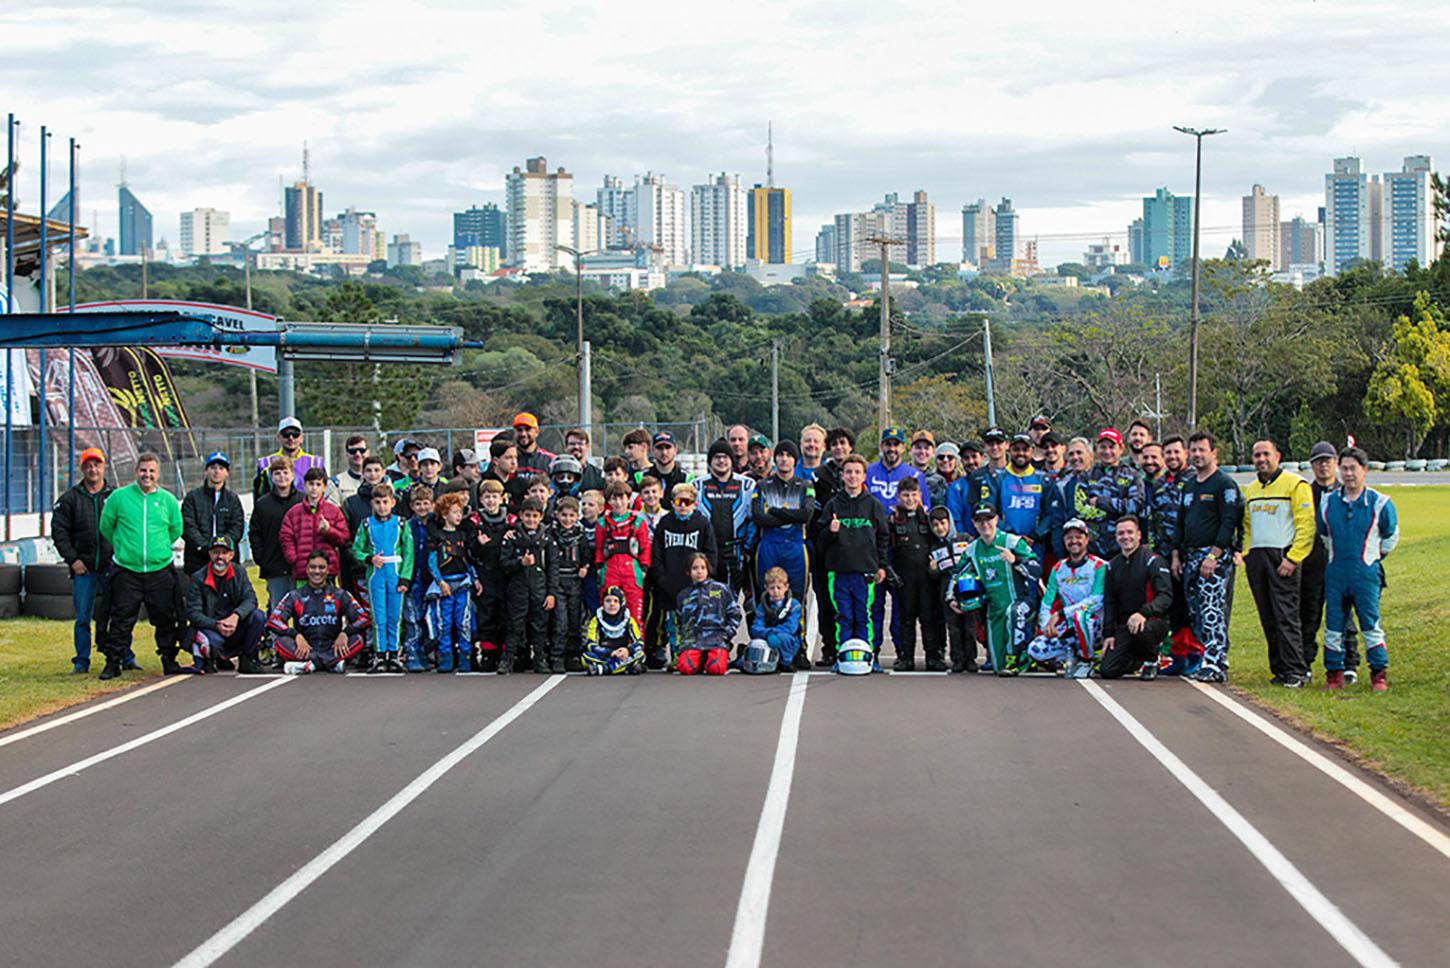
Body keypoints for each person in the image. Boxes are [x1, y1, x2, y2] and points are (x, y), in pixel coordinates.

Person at [97, 454, 185, 679]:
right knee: (121, 619)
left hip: (159, 570)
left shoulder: (167, 500)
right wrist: (124, 547)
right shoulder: (119, 497)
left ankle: (168, 658)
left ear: (158, 474)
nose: (147, 475)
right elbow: (107, 526)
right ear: (136, 472)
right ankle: (113, 662)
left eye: (152, 471)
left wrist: (158, 549)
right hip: (127, 570)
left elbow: (175, 529)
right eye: (143, 470)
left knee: (165, 618)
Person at [1318, 447, 1397, 692]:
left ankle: (1378, 674)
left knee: (1370, 624)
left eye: (1353, 468)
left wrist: (1372, 558)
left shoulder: (1380, 502)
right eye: (1344, 468)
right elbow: (1324, 535)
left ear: (1365, 470)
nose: (1349, 474)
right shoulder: (1328, 502)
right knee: (1333, 625)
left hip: (1365, 574)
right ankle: (1334, 675)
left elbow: (1390, 537)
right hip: (1336, 573)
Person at [1242, 438, 1316, 687]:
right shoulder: (1251, 489)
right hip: (1257, 558)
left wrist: (1293, 558)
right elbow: (1247, 526)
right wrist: (1246, 554)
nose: (1261, 459)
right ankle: (1279, 669)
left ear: (1278, 456)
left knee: (1286, 615)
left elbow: (1306, 525)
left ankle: (1296, 669)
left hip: (1283, 557)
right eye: (1256, 456)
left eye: (1266, 454)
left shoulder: (1295, 484)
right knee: (1267, 616)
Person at [1173, 430, 1240, 683]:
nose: (1198, 454)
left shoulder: (1224, 484)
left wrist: (1214, 554)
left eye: (1202, 449)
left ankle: (1216, 662)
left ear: (1214, 453)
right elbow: (1181, 521)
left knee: (1213, 610)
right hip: (1190, 556)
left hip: (1213, 557)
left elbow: (1229, 521)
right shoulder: (1189, 486)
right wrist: (1177, 555)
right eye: (1194, 450)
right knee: (1197, 612)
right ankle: (1207, 657)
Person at [52, 447, 126, 674]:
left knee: (120, 613)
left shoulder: (116, 497)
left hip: (112, 566)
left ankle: (125, 656)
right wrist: (73, 560)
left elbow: (126, 528)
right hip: (83, 569)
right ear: (82, 468)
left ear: (104, 467)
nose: (93, 469)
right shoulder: (69, 500)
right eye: (88, 465)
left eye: (97, 464)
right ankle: (81, 661)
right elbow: (60, 533)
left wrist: (121, 556)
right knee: (83, 617)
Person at [817, 454, 890, 663]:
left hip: (865, 571)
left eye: (857, 472)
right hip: (838, 571)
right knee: (844, 616)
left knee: (864, 615)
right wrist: (831, 531)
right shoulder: (833, 505)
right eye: (848, 472)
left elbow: (883, 537)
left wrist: (882, 565)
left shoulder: (873, 505)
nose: (852, 476)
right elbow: (820, 539)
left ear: (864, 476)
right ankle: (843, 655)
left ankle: (868, 655)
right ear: (842, 475)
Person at [1301, 441, 1358, 678]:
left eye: (1328, 460)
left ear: (1336, 463)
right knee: (1307, 616)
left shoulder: (1347, 493)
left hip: (1341, 565)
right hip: (1311, 565)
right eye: (1318, 461)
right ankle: (1303, 664)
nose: (1323, 465)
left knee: (1344, 616)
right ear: (1312, 465)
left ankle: (1349, 664)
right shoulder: (1304, 492)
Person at [962, 502, 1040, 676]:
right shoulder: (972, 550)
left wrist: (1016, 561)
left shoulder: (1012, 541)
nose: (985, 524)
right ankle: (1025, 657)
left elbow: (1036, 568)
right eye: (979, 521)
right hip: (994, 608)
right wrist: (953, 598)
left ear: (996, 519)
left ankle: (1018, 657)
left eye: (988, 519)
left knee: (1013, 613)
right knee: (998, 666)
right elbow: (957, 575)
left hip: (1021, 602)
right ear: (973, 523)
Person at [650, 482, 720, 667]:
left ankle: (698, 657)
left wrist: (705, 578)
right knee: (674, 626)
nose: (682, 505)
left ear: (694, 503)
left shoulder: (702, 523)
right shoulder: (664, 524)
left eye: (687, 502)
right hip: (670, 586)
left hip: (695, 587)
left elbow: (711, 553)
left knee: (697, 623)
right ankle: (677, 657)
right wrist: (662, 578)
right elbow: (656, 554)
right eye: (678, 501)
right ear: (672, 503)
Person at [1026, 518, 1107, 678]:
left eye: (1078, 537)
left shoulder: (1100, 566)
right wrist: (1046, 626)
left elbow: (1097, 599)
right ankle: (1072, 655)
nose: (1074, 541)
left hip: (1096, 624)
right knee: (1035, 649)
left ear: (1086, 539)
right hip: (1069, 627)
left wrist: (1062, 614)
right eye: (1069, 537)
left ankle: (1087, 660)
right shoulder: (1058, 568)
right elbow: (1047, 603)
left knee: (1080, 616)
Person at [269, 550, 371, 675]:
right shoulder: (295, 596)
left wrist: (345, 633)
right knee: (281, 642)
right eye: (313, 567)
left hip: (333, 647)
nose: (317, 571)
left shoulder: (340, 594)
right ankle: (331, 664)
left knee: (358, 639)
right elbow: (274, 620)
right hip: (305, 648)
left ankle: (312, 665)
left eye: (321, 567)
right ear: (306, 570)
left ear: (328, 570)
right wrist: (295, 635)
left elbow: (364, 618)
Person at [751, 440, 814, 638]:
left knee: (797, 597)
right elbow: (759, 518)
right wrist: (790, 514)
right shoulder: (762, 485)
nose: (784, 459)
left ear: (795, 460)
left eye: (789, 455)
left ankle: (798, 644)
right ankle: (766, 642)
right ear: (774, 458)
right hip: (769, 546)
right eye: (780, 455)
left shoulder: (805, 485)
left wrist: (777, 512)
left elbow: (806, 515)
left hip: (795, 547)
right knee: (767, 595)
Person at [1099, 514, 1173, 680]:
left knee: (1142, 631)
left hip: (1152, 622)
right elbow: (1110, 601)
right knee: (1108, 670)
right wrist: (1109, 634)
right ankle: (1137, 659)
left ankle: (1152, 659)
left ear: (1139, 535)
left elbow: (1165, 597)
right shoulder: (1112, 566)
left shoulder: (1153, 561)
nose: (1126, 537)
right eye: (1121, 533)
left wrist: (1143, 613)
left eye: (1130, 532)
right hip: (1126, 626)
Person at [352, 481, 412, 673]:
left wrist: (405, 578)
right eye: (377, 502)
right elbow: (356, 549)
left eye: (385, 502)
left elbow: (408, 553)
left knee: (395, 615)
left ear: (393, 502)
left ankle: (394, 654)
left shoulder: (401, 523)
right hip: (375, 575)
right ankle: (379, 655)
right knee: (378, 615)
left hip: (395, 572)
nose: (382, 506)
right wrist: (369, 558)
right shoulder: (366, 524)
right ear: (372, 504)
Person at [185, 536, 266, 675]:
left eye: (224, 553)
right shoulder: (198, 578)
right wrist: (216, 624)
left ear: (231, 555)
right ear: (210, 554)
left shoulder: (239, 572)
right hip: (212, 627)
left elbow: (251, 600)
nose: (220, 557)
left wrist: (235, 616)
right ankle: (211, 659)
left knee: (258, 616)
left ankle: (247, 659)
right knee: (211, 641)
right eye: (216, 552)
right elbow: (193, 613)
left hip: (235, 626)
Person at [887, 476, 944, 671]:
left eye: (913, 495)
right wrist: (889, 571)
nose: (910, 499)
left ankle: (933, 657)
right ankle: (906, 657)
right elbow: (886, 549)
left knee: (929, 618)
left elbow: (940, 544)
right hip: (904, 578)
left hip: (927, 578)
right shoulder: (893, 521)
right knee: (906, 619)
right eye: (905, 495)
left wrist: (937, 568)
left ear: (920, 495)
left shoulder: (928, 520)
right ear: (898, 497)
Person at [807, 427, 853, 667]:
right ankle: (829, 648)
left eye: (843, 443)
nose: (838, 448)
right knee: (825, 600)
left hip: (852, 549)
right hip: (824, 546)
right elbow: (813, 514)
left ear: (850, 446)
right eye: (834, 444)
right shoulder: (819, 475)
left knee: (850, 600)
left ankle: (853, 646)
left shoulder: (858, 471)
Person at [696, 438, 757, 617]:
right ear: (710, 461)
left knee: (734, 604)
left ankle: (742, 642)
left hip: (736, 554)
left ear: (732, 460)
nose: (721, 461)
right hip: (708, 554)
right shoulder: (698, 485)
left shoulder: (747, 485)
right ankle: (713, 643)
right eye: (717, 457)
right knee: (709, 604)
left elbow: (754, 519)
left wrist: (747, 547)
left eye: (725, 457)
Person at [500, 497, 559, 674]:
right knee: (514, 625)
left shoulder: (547, 539)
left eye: (535, 516)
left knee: (539, 625)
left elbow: (553, 567)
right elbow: (504, 563)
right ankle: (508, 659)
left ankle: (539, 659)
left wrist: (551, 593)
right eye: (527, 516)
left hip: (539, 588)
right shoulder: (512, 537)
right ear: (521, 516)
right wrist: (520, 562)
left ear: (541, 517)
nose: (531, 520)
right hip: (517, 588)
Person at [424, 491, 478, 673]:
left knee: (463, 621)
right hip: (444, 584)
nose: (458, 516)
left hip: (462, 583)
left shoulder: (463, 535)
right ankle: (445, 656)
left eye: (460, 512)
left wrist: (475, 579)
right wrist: (439, 582)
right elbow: (432, 562)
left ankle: (465, 657)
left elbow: (469, 561)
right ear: (445, 514)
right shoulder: (437, 536)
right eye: (454, 512)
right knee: (444, 623)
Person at [469, 479, 513, 673]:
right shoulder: (475, 522)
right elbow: (470, 552)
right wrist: (479, 545)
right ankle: (488, 653)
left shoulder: (510, 521)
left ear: (501, 498)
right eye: (487, 497)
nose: (491, 500)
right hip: (485, 574)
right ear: (481, 499)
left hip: (505, 575)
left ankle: (507, 653)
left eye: (494, 496)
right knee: (487, 615)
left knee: (506, 614)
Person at [280, 466, 351, 584]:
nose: (314, 488)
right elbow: (285, 536)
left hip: (327, 571)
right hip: (303, 570)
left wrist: (329, 531)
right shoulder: (294, 512)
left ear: (324, 488)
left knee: (328, 601)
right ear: (305, 486)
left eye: (318, 484)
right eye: (311, 484)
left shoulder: (334, 511)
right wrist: (294, 559)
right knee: (303, 601)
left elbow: (344, 538)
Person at [674, 553, 742, 676]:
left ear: (708, 570)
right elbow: (679, 622)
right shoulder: (683, 595)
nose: (699, 572)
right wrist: (682, 643)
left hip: (717, 640)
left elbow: (735, 614)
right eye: (695, 568)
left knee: (716, 669)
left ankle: (713, 658)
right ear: (688, 571)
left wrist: (727, 634)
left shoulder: (721, 589)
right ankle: (700, 660)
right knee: (686, 668)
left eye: (703, 568)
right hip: (693, 641)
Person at [251, 457, 304, 612]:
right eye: (277, 473)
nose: (282, 477)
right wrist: (261, 558)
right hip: (274, 566)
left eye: (285, 472)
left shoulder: (302, 501)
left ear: (293, 475)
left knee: (301, 611)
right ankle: (277, 637)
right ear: (272, 477)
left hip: (299, 566)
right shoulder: (262, 504)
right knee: (278, 611)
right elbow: (255, 533)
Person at [1084, 428, 1146, 561]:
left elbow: (1135, 505)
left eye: (1112, 447)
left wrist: (1100, 502)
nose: (1107, 452)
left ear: (1121, 448)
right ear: (1096, 449)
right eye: (1103, 447)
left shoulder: (1132, 475)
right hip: (1093, 550)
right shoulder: (1087, 476)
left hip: (1123, 549)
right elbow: (1081, 508)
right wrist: (1119, 503)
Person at [928, 506, 976, 673]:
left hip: (967, 587)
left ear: (950, 522)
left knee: (969, 625)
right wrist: (933, 569)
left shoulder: (964, 539)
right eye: (935, 525)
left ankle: (971, 659)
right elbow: (934, 575)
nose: (939, 528)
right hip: (946, 590)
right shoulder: (934, 548)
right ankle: (957, 659)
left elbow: (975, 559)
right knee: (953, 626)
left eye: (942, 523)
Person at [180, 451, 245, 576]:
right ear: (206, 471)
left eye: (221, 468)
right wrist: (207, 548)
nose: (217, 471)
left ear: (227, 472)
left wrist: (221, 549)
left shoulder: (233, 499)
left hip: (226, 562)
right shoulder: (192, 498)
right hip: (197, 561)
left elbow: (237, 527)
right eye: (213, 467)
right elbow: (188, 527)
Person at [550, 495, 591, 672]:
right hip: (558, 579)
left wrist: (585, 566)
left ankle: (572, 655)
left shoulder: (580, 535)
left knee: (575, 618)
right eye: (564, 515)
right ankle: (556, 656)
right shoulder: (551, 533)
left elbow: (586, 553)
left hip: (574, 580)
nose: (567, 519)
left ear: (577, 516)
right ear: (557, 515)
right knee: (561, 621)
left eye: (571, 516)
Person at [401, 486, 436, 668]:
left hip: (430, 579)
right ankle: (412, 651)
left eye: (426, 504)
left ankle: (426, 649)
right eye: (418, 504)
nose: (422, 508)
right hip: (412, 578)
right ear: (412, 506)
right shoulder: (407, 526)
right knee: (412, 617)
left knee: (428, 617)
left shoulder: (435, 524)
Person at [996, 433, 1049, 547]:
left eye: (1025, 449)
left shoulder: (1043, 479)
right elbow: (992, 512)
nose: (1020, 453)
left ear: (1032, 451)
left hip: (1034, 544)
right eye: (1016, 449)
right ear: (1009, 449)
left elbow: (1050, 514)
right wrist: (1010, 535)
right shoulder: (998, 478)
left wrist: (1035, 535)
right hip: (1004, 543)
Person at [582, 585, 646, 675]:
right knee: (586, 657)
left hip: (623, 655)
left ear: (621, 603)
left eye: (616, 601)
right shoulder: (596, 620)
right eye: (608, 601)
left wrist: (627, 650)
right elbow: (590, 644)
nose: (612, 604)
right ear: (603, 603)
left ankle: (604, 669)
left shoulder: (629, 620)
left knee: (640, 655)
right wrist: (611, 653)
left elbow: (639, 643)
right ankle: (625, 668)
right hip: (605, 655)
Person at [254, 417, 324, 498]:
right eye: (286, 434)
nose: (291, 438)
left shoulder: (315, 463)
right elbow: (258, 496)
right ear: (278, 437)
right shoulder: (265, 464)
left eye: (295, 434)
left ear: (302, 438)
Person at [751, 567, 804, 672]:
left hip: (789, 640)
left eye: (779, 588)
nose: (775, 591)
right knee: (755, 644)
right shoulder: (763, 606)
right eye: (772, 588)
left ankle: (785, 663)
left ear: (786, 587)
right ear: (766, 588)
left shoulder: (794, 605)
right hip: (769, 637)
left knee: (783, 637)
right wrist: (768, 634)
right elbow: (756, 626)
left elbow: (790, 628)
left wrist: (773, 633)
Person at [866, 425, 930, 512]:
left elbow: (925, 508)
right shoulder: (867, 472)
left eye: (896, 445)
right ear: (881, 447)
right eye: (888, 444)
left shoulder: (915, 475)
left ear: (903, 447)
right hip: (874, 524)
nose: (892, 449)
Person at [329, 435, 370, 505]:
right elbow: (333, 512)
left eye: (362, 450)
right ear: (347, 454)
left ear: (368, 452)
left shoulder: (383, 480)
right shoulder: (336, 483)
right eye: (353, 451)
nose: (358, 454)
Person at [511, 412, 554, 476]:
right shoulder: (508, 458)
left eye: (527, 429)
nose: (523, 434)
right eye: (519, 430)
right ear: (514, 432)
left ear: (536, 432)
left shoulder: (549, 459)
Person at [564, 428, 606, 493]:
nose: (576, 447)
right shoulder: (557, 475)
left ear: (588, 447)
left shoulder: (598, 476)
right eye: (572, 444)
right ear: (566, 447)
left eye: (580, 443)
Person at [649, 431, 688, 496]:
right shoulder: (642, 476)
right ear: (653, 450)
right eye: (659, 448)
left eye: (668, 447)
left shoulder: (686, 478)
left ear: (675, 450)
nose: (664, 452)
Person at [925, 442, 962, 509]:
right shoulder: (927, 482)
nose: (945, 460)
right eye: (941, 457)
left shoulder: (963, 482)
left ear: (957, 461)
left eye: (950, 457)